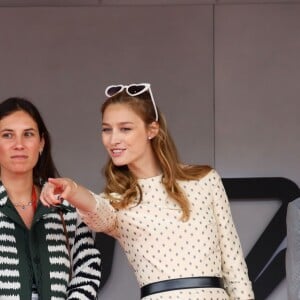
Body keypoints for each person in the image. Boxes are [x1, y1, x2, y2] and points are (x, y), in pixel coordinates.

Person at [40, 83, 255, 300]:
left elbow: (235, 267)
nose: (113, 139)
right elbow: (97, 209)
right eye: (107, 129)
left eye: (125, 128)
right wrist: (72, 189)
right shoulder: (117, 200)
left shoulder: (205, 180)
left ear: (152, 129)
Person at [0, 97, 101, 299]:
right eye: (7, 135)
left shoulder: (67, 207)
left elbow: (87, 272)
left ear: (41, 143)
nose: (19, 144)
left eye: (28, 134)